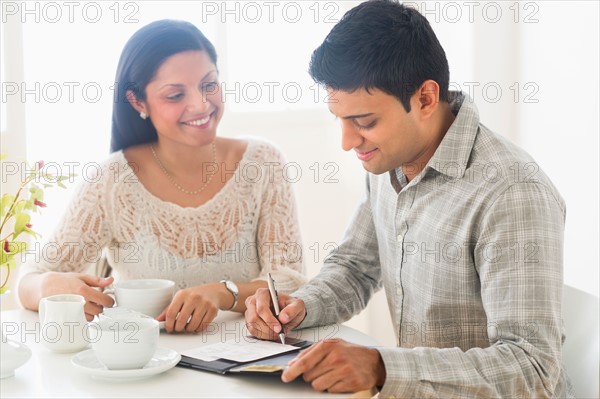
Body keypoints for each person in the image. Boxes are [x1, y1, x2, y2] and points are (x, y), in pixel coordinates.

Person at [244, 1, 573, 397]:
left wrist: (382, 367)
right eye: (341, 121)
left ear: (426, 99)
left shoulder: (512, 194)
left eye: (365, 122)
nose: (348, 142)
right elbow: (355, 268)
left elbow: (533, 367)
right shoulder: (391, 162)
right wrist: (298, 307)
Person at [18, 19, 306, 333]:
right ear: (138, 101)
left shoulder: (262, 162)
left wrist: (222, 292)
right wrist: (49, 286)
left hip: (245, 366)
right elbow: (29, 282)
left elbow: (290, 282)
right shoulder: (111, 181)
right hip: (143, 367)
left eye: (209, 85)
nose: (200, 104)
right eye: (175, 95)